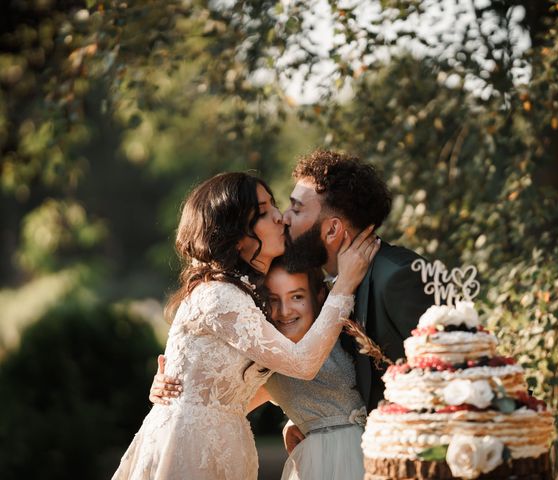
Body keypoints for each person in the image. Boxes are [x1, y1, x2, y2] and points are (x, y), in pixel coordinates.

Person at [151, 150, 433, 455]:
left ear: (333, 229)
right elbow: (245, 390)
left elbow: (445, 371)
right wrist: (183, 390)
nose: (283, 216)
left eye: (295, 209)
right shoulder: (269, 303)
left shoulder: (392, 277)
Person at [111, 172, 379, 480]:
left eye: (274, 206)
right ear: (235, 235)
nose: (280, 218)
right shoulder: (220, 296)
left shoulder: (248, 297)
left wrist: (304, 419)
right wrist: (345, 286)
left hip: (226, 443)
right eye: (264, 212)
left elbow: (243, 388)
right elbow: (302, 364)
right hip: (192, 448)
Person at [152, 258, 367, 480]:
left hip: (374, 448)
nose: (284, 311)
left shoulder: (342, 330)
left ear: (319, 295)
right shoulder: (267, 361)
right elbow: (221, 406)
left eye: (297, 297)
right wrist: (168, 393)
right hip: (321, 465)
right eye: (273, 300)